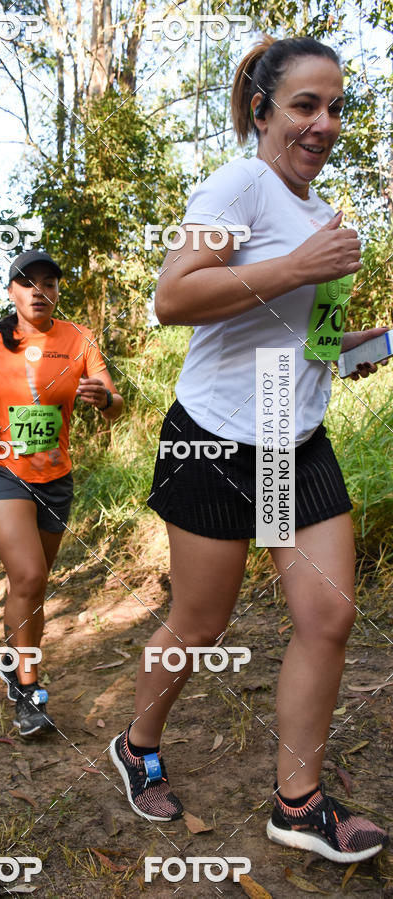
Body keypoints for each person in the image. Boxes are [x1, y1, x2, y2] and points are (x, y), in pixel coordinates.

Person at [110, 36, 389, 864]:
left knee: (328, 615)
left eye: (335, 107)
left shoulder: (320, 215)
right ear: (263, 111)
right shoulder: (240, 184)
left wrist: (361, 344)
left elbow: (305, 339)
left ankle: (298, 803)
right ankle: (137, 743)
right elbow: (172, 296)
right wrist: (299, 266)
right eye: (305, 105)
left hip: (291, 440)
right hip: (216, 440)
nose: (324, 122)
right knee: (201, 620)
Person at [0, 248, 123, 736]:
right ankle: (27, 689)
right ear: (11, 292)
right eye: (27, 282)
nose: (39, 291)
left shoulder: (79, 338)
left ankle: (14, 658)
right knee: (29, 573)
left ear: (57, 292)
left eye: (49, 283)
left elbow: (115, 404)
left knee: (32, 587)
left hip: (55, 478)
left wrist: (104, 397)